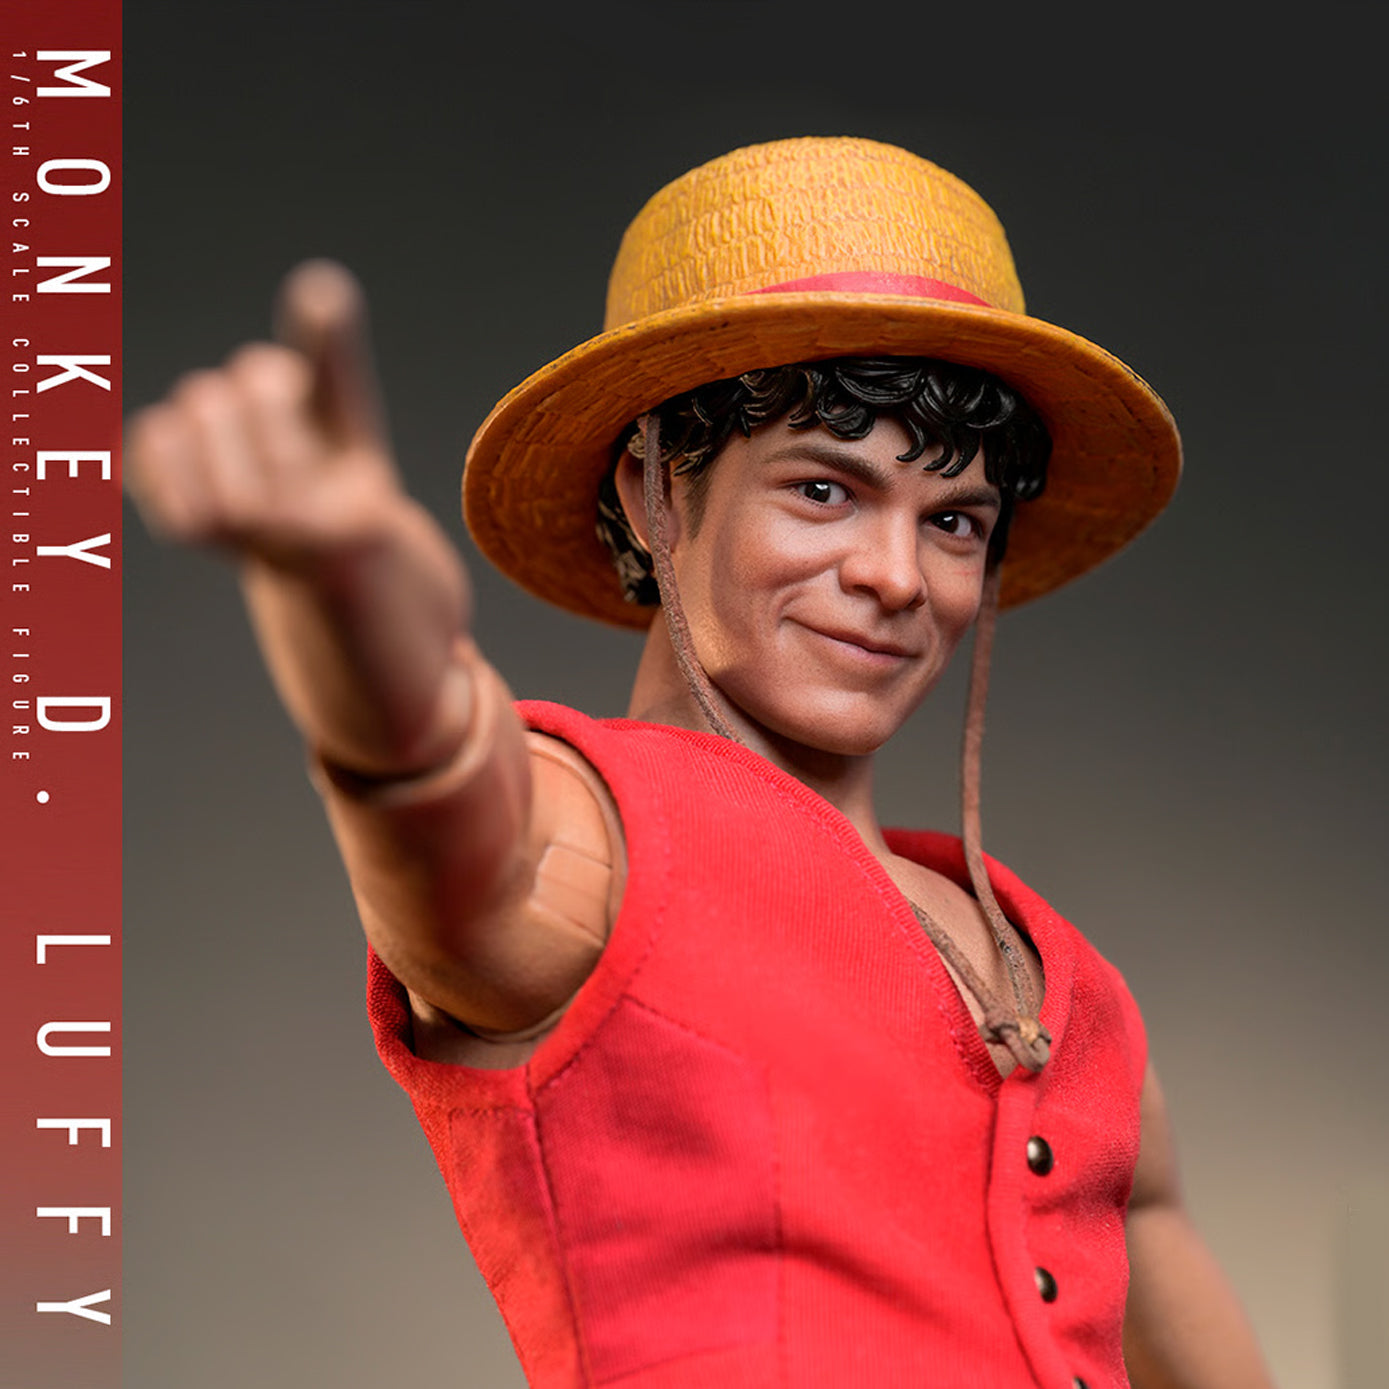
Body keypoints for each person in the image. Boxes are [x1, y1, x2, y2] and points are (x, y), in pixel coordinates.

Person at [128, 137, 1274, 1388]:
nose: (896, 576)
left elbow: (1170, 1285)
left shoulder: (1061, 975)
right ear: (651, 493)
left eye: (952, 521)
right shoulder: (603, 846)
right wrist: (342, 596)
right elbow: (429, 786)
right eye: (824, 492)